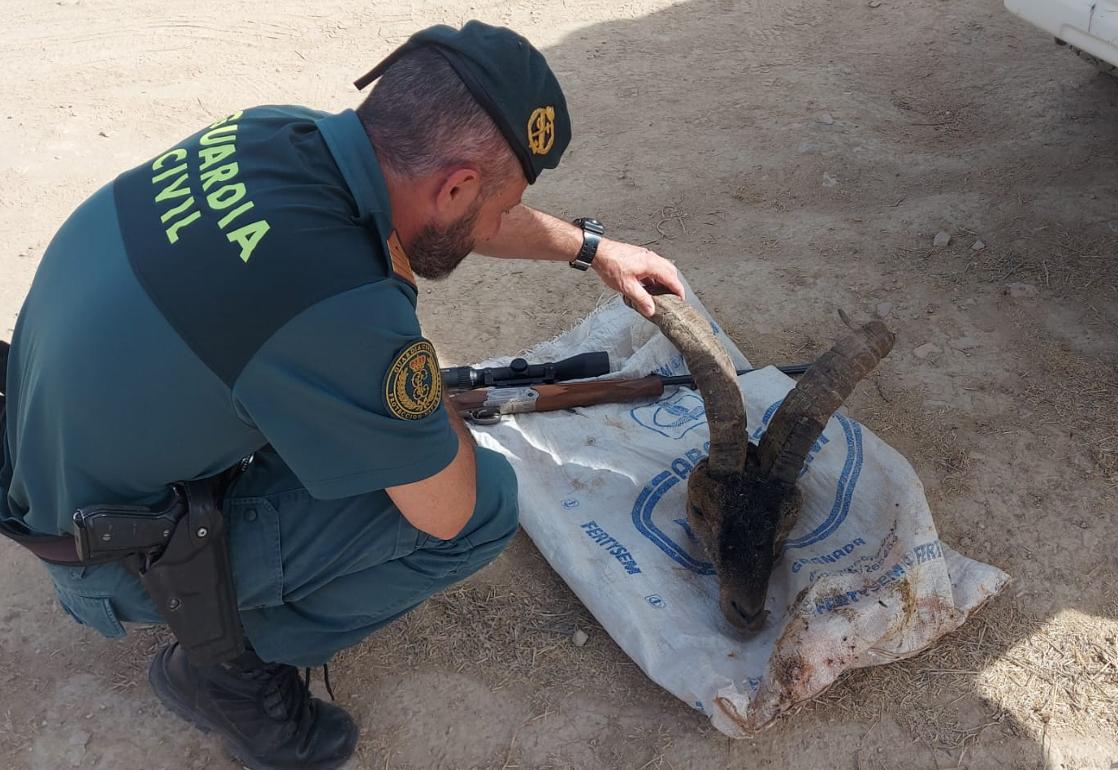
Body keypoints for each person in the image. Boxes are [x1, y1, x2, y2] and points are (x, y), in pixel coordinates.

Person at [0, 20, 683, 770]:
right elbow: (445, 506)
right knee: (486, 503)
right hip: (101, 550)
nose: (497, 223)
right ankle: (224, 672)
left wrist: (592, 249)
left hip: (42, 453)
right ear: (454, 186)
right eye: (497, 205)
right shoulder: (341, 307)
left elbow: (458, 219)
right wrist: (416, 408)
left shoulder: (278, 135)